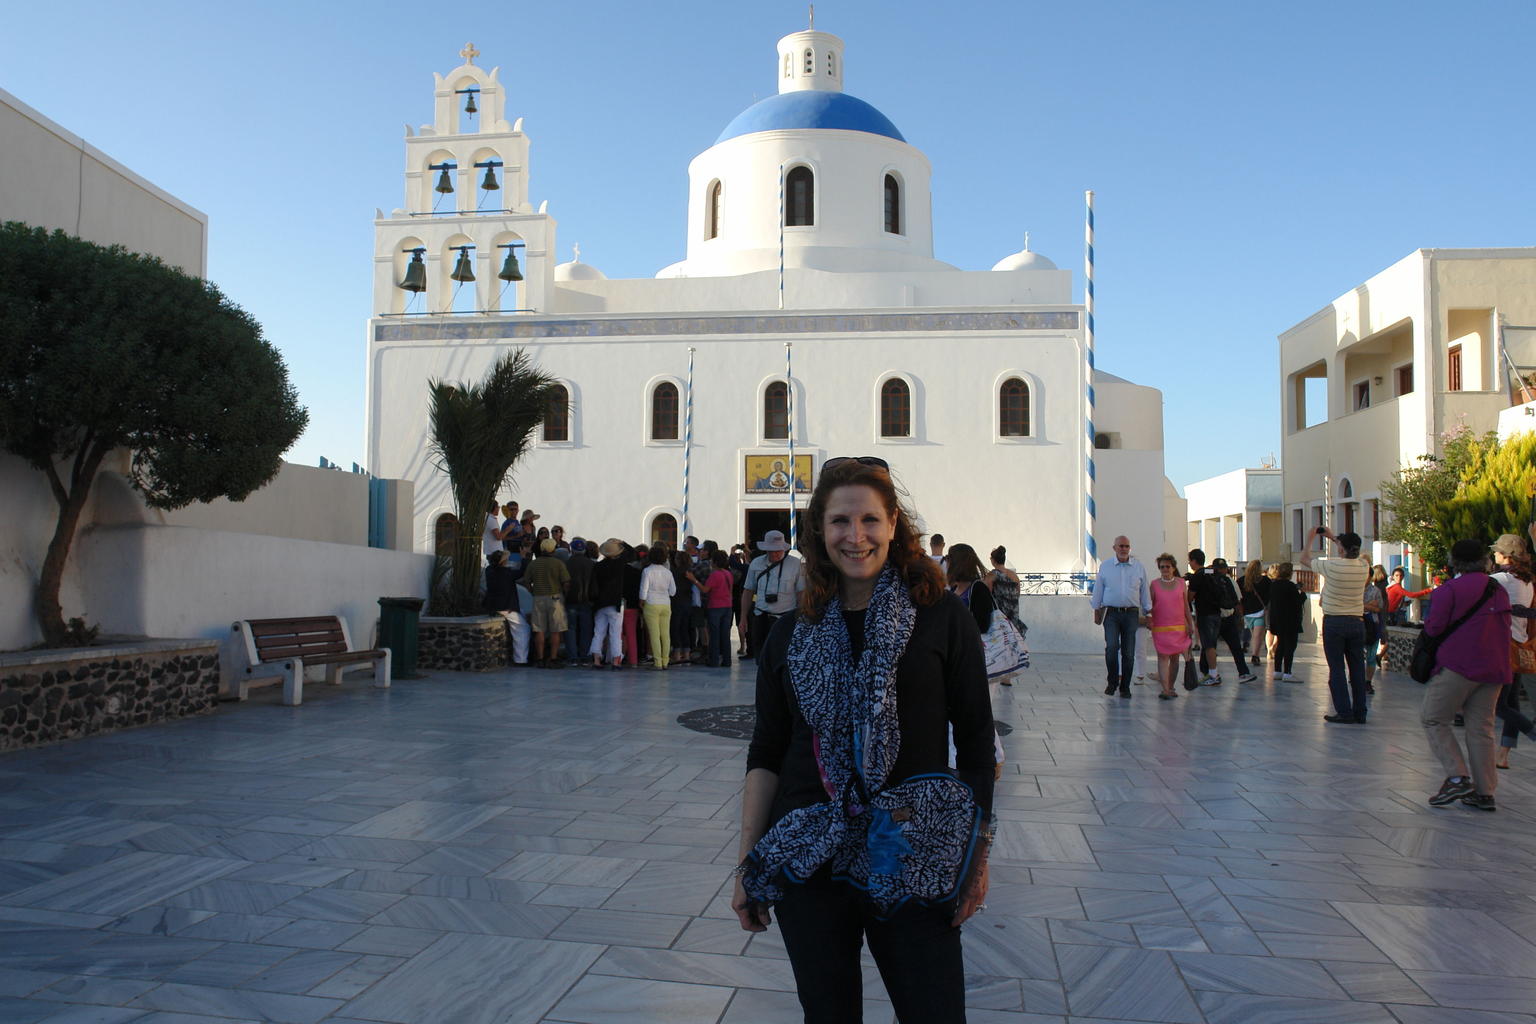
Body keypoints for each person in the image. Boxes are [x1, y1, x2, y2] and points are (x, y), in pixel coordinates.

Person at [735, 456, 994, 1023]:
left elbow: (976, 741)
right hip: (809, 855)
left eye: (870, 520)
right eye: (840, 522)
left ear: (894, 522)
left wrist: (976, 854)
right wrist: (747, 863)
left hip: (914, 848)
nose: (856, 537)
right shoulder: (789, 633)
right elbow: (767, 751)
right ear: (819, 532)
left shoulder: (941, 617)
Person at [1422, 539, 1513, 811]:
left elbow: (1434, 628)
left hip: (1459, 665)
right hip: (1495, 666)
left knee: (1433, 717)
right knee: (1481, 728)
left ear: (1454, 561)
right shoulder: (1498, 589)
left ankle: (1457, 776)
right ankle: (1485, 792)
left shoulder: (1449, 591)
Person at [1300, 527, 1371, 723]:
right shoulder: (1364, 566)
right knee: (1357, 669)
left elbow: (1304, 559)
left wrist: (1311, 538)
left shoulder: (1331, 566)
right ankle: (1360, 712)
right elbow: (1349, 551)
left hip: (1334, 622)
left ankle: (1344, 712)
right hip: (1357, 622)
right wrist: (1334, 537)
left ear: (1341, 550)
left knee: (1337, 669)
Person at [1491, 532, 1536, 769]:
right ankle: (1503, 755)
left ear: (1507, 556)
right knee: (1511, 704)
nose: (1494, 553)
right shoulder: (1527, 582)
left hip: (1503, 645)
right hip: (1518, 644)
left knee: (1498, 705)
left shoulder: (1500, 580)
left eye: (1497, 550)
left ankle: (1532, 732)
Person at [1091, 536, 1150, 699]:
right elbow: (1099, 588)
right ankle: (1112, 682)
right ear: (1114, 547)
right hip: (1111, 613)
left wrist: (1148, 611)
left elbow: (1144, 590)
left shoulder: (1138, 567)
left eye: (1127, 546)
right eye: (1121, 546)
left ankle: (1125, 686)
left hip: (1131, 613)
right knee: (1111, 647)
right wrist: (1096, 608)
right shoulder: (1106, 566)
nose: (1124, 549)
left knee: (1128, 652)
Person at [1185, 551, 1254, 686]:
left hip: (1206, 615)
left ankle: (1212, 674)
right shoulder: (1215, 575)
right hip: (1220, 615)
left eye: (1190, 561)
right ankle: (1242, 672)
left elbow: (1189, 597)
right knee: (1232, 646)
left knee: (1209, 645)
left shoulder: (1197, 577)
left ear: (1193, 561)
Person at [742, 530, 804, 659]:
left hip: (785, 617)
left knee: (782, 656)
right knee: (761, 656)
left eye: (778, 550)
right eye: (771, 550)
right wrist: (743, 618)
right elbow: (748, 591)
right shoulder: (756, 563)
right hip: (761, 617)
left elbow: (801, 593)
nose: (774, 553)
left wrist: (801, 617)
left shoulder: (795, 564)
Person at [1147, 553, 1194, 700]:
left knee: (1174, 658)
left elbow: (1185, 605)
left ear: (1173, 567)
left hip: (1178, 627)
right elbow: (1150, 605)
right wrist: (1149, 619)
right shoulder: (1154, 584)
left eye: (1167, 566)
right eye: (1162, 567)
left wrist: (1190, 623)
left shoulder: (1181, 583)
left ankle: (1171, 686)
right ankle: (1165, 689)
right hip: (1160, 627)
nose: (1165, 569)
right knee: (1162, 657)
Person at [524, 538, 571, 668]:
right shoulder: (558, 564)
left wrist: (533, 591)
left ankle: (540, 659)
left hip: (538, 597)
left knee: (539, 630)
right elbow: (566, 582)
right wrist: (564, 595)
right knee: (556, 631)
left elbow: (526, 581)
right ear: (553, 550)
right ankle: (553, 659)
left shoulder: (534, 564)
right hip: (555, 598)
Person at [483, 550, 528, 665]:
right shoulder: (506, 573)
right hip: (505, 606)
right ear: (503, 562)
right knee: (522, 629)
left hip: (493, 605)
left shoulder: (489, 570)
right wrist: (523, 557)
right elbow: (522, 571)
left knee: (521, 615)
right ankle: (520, 659)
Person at [589, 538, 626, 669]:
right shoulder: (620, 565)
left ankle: (596, 659)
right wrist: (621, 542)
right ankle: (616, 660)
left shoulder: (598, 566)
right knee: (616, 633)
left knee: (598, 632)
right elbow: (632, 554)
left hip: (600, 603)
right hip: (615, 602)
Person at [640, 542, 676, 671]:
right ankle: (665, 661)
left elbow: (644, 589)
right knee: (665, 634)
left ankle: (657, 662)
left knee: (654, 634)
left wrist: (641, 601)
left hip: (651, 603)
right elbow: (673, 591)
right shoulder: (668, 572)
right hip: (665, 604)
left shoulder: (647, 571)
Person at [1266, 562, 1304, 682]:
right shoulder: (1291, 586)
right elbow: (1297, 602)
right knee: (1290, 646)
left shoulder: (1273, 585)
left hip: (1277, 619)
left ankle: (1277, 670)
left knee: (1281, 645)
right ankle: (1287, 672)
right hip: (1290, 621)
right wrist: (1302, 593)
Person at [563, 539, 596, 666]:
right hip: (586, 600)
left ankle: (572, 657)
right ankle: (585, 656)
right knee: (586, 629)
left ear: (572, 549)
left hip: (570, 600)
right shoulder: (590, 564)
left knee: (570, 629)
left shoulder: (567, 563)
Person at [701, 549, 735, 668]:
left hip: (715, 606)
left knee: (714, 635)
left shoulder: (714, 575)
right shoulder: (728, 573)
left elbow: (705, 590)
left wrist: (693, 580)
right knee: (725, 634)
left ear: (714, 562)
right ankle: (727, 660)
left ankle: (714, 660)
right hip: (727, 606)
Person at [1239, 559, 1269, 667]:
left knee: (1254, 634)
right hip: (1260, 611)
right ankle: (1255, 655)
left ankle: (1255, 653)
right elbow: (1269, 596)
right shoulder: (1265, 580)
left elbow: (1239, 598)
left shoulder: (1241, 581)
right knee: (1258, 635)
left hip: (1247, 612)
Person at [1363, 565, 1387, 693]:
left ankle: (1368, 682)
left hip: (1372, 625)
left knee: (1371, 656)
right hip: (1358, 623)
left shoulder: (1375, 591)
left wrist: (1366, 606)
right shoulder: (1354, 590)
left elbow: (1378, 607)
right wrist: (1369, 605)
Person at [669, 549, 694, 666]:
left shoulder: (673, 572)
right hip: (688, 602)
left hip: (676, 602)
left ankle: (677, 655)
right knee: (685, 628)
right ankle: (687, 654)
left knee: (675, 628)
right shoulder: (690, 571)